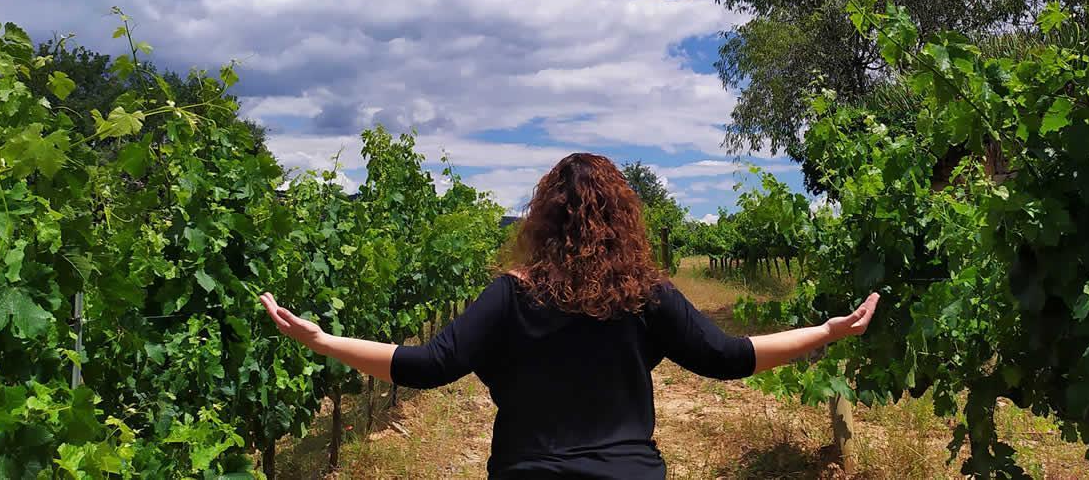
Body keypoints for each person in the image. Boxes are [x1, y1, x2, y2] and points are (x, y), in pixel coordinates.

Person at [259, 152, 879, 479]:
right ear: (624, 220)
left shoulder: (511, 294)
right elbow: (728, 358)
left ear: (543, 220)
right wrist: (825, 333)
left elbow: (427, 365)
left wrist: (326, 341)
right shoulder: (645, 294)